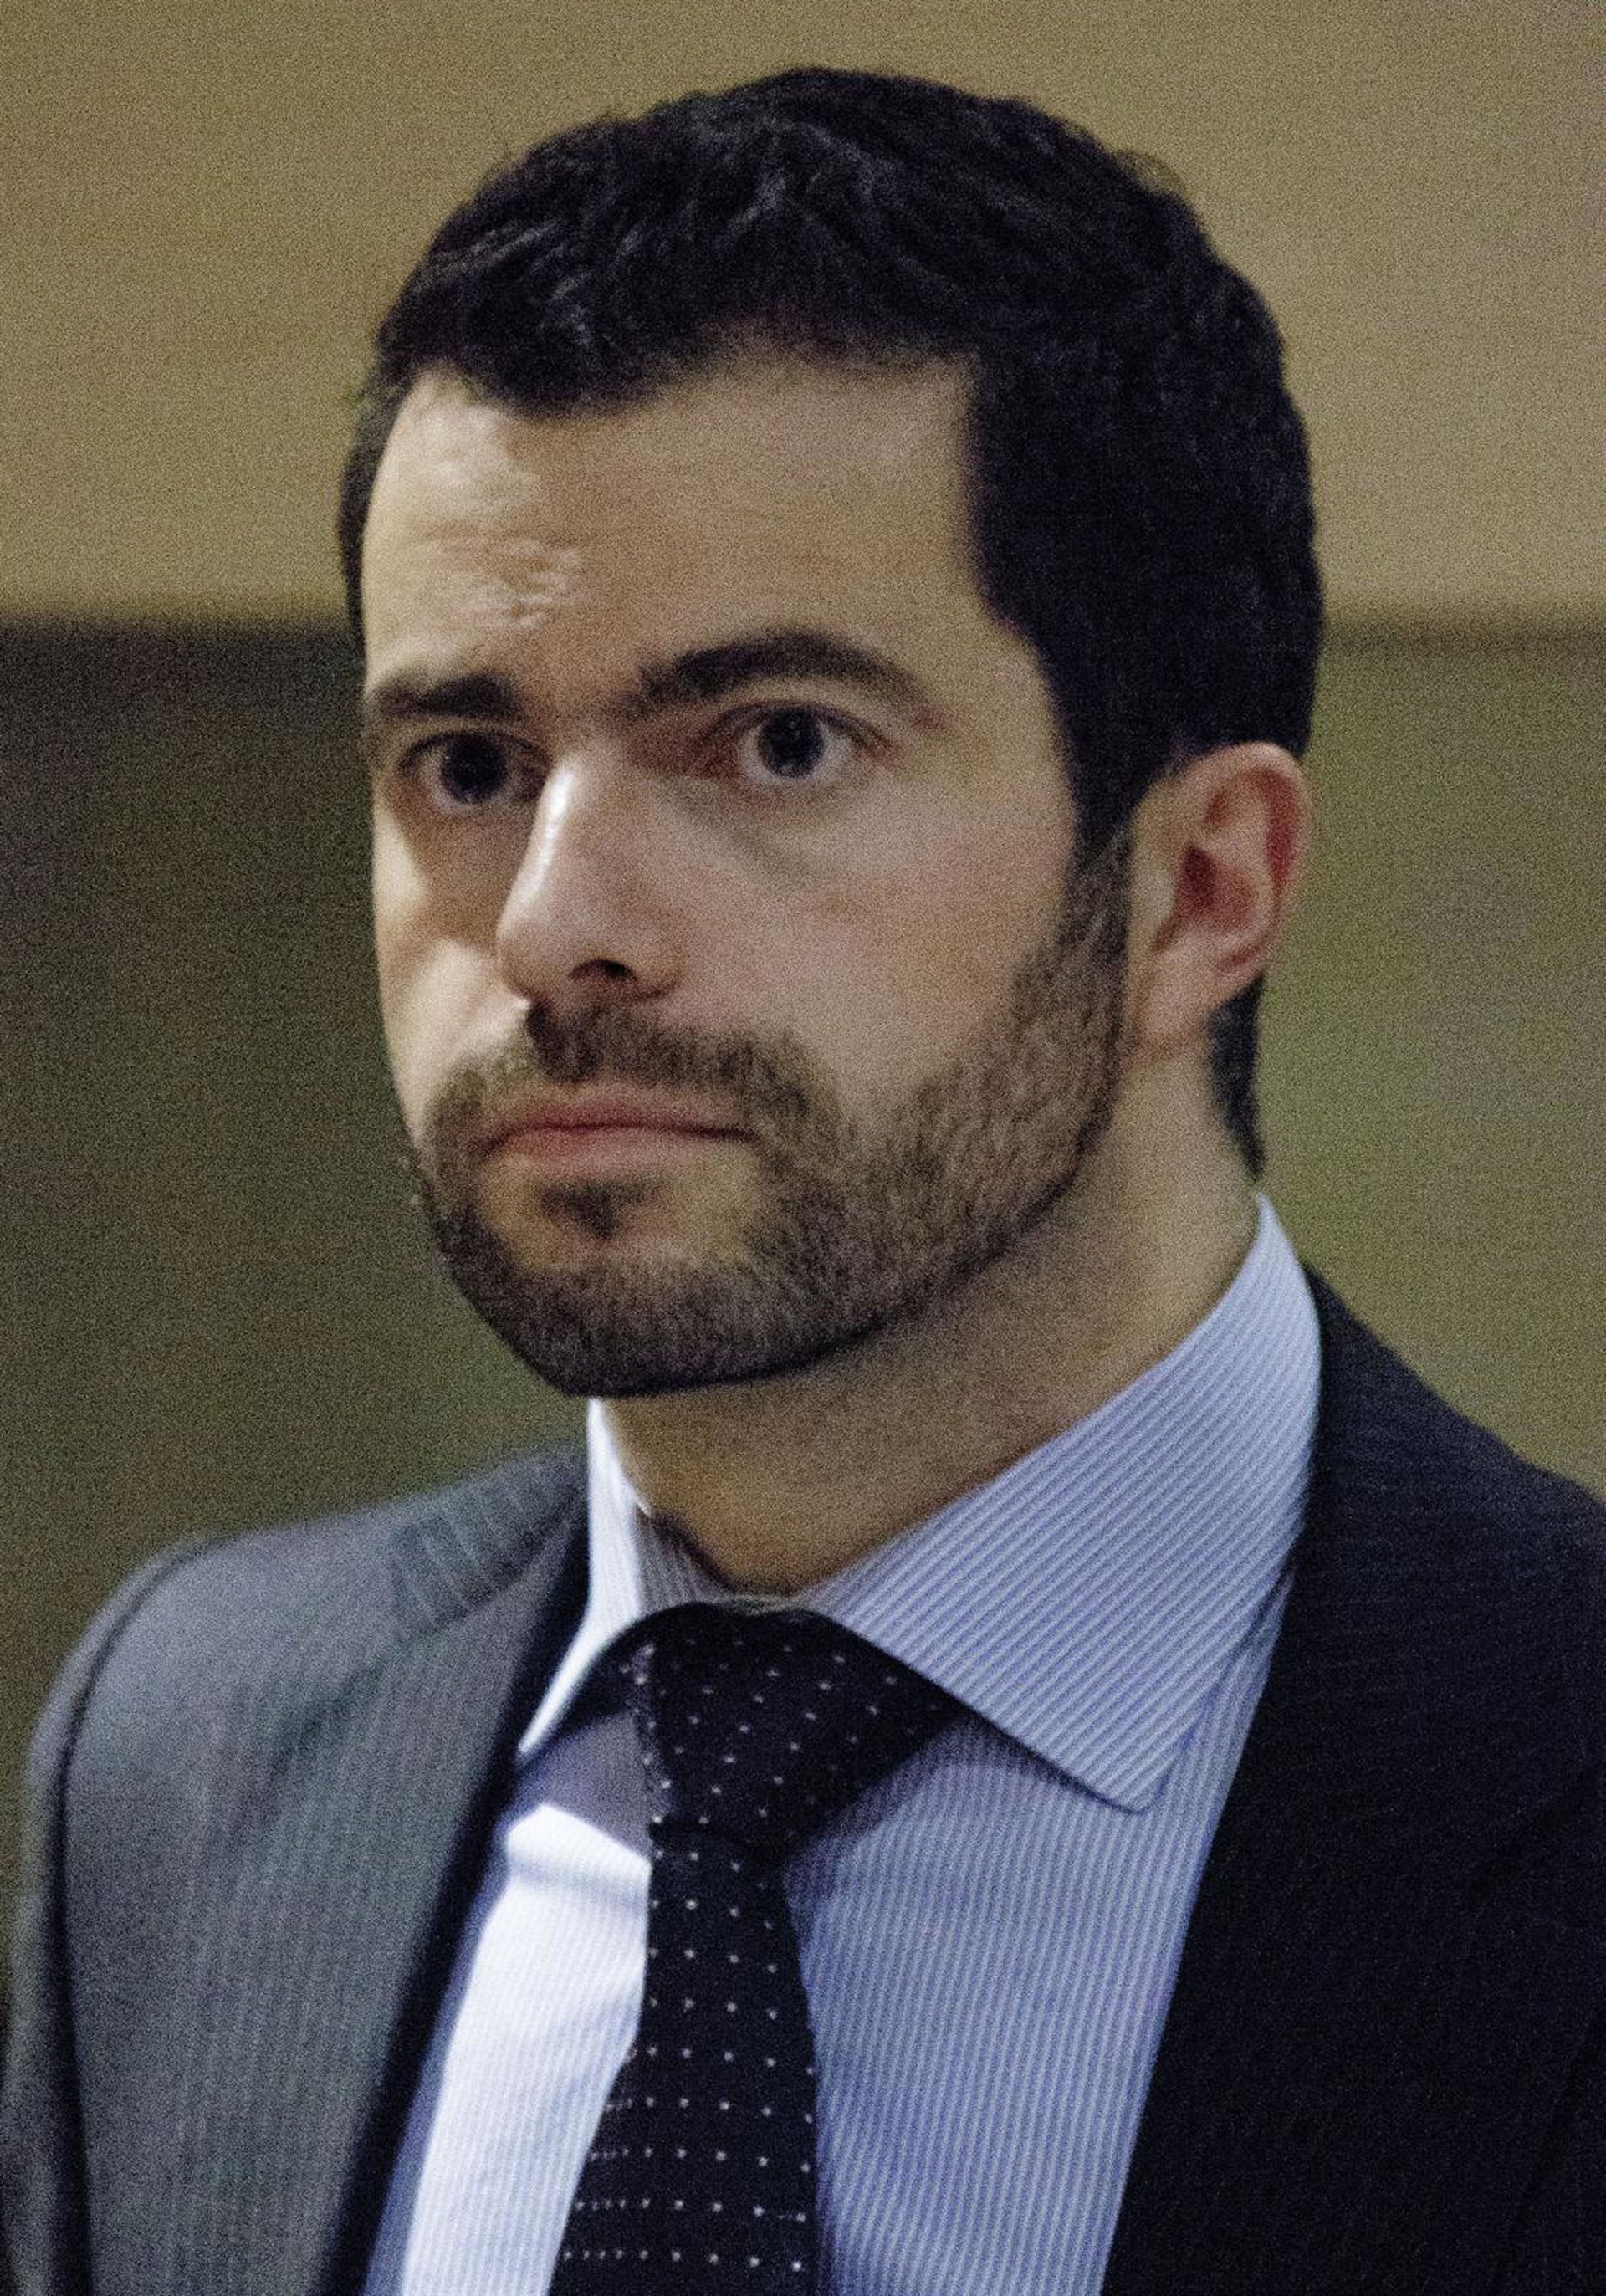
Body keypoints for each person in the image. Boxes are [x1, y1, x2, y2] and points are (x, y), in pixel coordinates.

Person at [5, 65, 1604, 2296]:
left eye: (776, 744)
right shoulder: (192, 1746)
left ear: (1200, 886)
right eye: (466, 762)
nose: (556, 926)